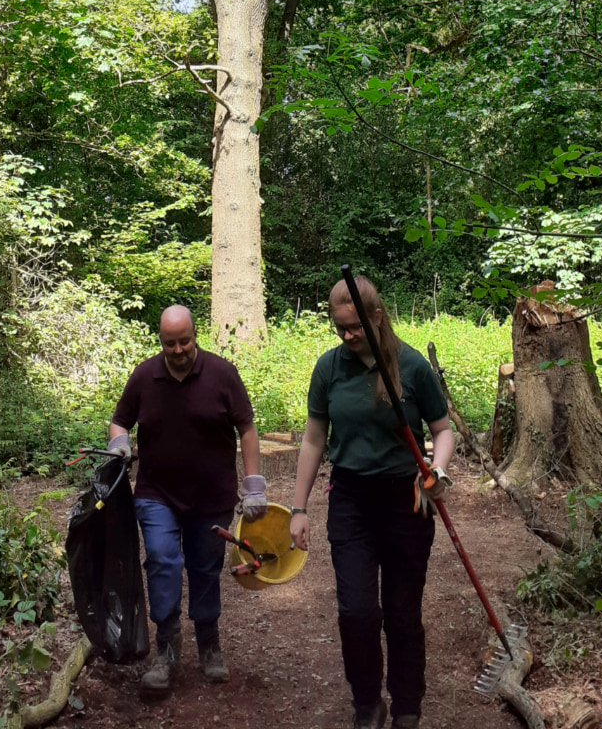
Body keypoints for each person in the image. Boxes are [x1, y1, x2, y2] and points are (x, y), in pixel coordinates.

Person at [289, 276, 454, 729]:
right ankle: (367, 703)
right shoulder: (329, 369)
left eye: (353, 327)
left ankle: (406, 706)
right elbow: (313, 439)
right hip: (351, 502)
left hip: (406, 501)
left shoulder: (412, 367)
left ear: (375, 315)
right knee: (356, 611)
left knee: (402, 613)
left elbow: (442, 429)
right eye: (338, 327)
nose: (346, 335)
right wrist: (298, 508)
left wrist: (436, 471)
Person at [108, 305, 267, 693]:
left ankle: (209, 645)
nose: (178, 350)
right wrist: (120, 445)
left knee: (205, 568)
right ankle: (166, 649)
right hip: (156, 493)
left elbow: (246, 428)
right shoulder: (145, 376)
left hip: (211, 497)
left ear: (196, 335)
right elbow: (119, 420)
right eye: (169, 343)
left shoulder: (222, 374)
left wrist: (254, 485)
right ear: (160, 341)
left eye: (184, 341)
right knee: (162, 559)